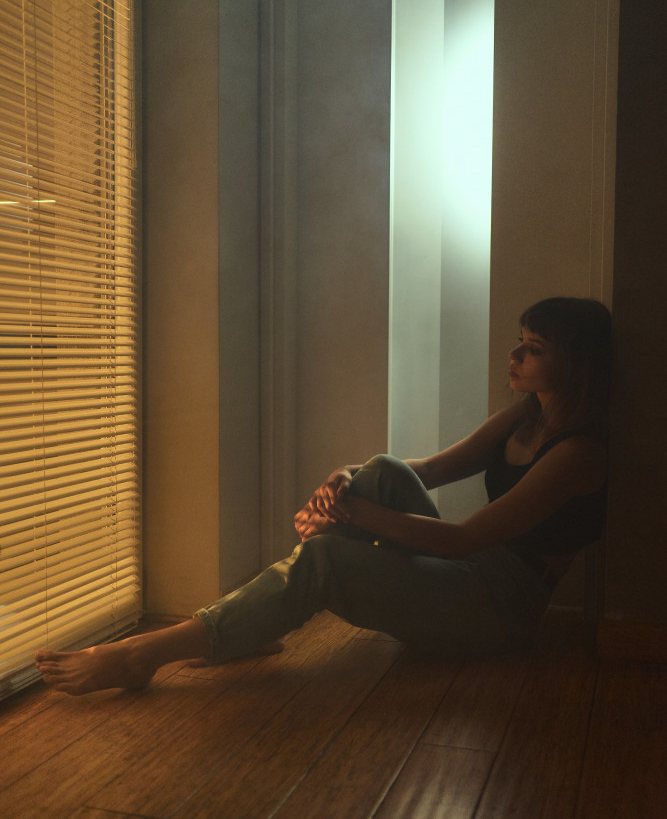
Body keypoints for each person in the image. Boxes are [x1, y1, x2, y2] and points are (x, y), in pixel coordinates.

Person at [35, 296, 612, 696]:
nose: (514, 356)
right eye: (519, 342)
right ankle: (255, 625)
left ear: (575, 365)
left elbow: (464, 540)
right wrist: (345, 477)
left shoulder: (577, 453)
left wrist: (352, 511)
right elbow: (429, 470)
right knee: (382, 470)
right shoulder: (523, 418)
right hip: (473, 573)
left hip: (501, 609)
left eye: (533, 349)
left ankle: (142, 655)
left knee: (325, 557)